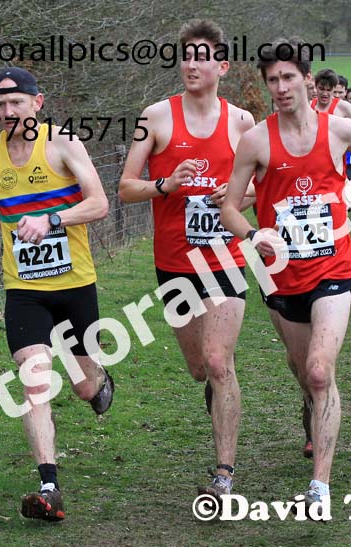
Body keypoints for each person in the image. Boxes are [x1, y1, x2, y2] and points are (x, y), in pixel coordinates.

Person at [220, 38, 351, 509]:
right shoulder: (255, 139)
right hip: (280, 274)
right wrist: (255, 235)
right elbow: (230, 209)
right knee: (303, 372)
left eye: (288, 77)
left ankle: (320, 484)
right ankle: (314, 407)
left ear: (307, 80)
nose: (280, 87)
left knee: (320, 371)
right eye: (272, 79)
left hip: (334, 265)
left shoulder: (339, 128)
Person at [0, 67, 113, 521]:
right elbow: (0, 199)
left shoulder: (63, 143)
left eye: (16, 103)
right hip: (23, 287)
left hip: (74, 283)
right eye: (0, 105)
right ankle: (49, 485)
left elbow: (100, 203)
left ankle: (100, 380)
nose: (8, 112)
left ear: (37, 103)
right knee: (33, 376)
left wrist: (52, 219)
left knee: (85, 386)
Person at [118, 19, 255, 501]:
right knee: (199, 368)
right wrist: (167, 184)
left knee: (220, 361)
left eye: (202, 57)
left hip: (225, 257)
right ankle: (216, 391)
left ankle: (224, 472)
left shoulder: (241, 122)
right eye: (186, 56)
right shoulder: (154, 116)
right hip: (174, 261)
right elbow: (125, 187)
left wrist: (233, 196)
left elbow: (260, 186)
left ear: (223, 65)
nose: (192, 65)